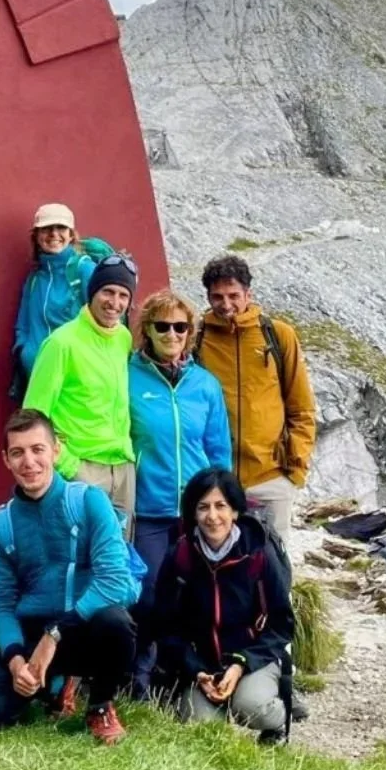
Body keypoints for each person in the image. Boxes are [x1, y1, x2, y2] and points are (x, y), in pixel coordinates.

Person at [0, 409, 136, 744]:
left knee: (117, 623)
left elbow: (113, 580)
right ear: (6, 460)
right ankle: (53, 685)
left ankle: (99, 704)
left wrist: (53, 636)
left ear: (55, 450)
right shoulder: (1, 523)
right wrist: (14, 660)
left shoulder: (89, 501)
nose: (29, 461)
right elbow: (0, 600)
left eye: (38, 449)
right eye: (17, 452)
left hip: (83, 627)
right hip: (31, 633)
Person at [126, 288, 230, 696]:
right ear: (146, 330)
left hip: (198, 513)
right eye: (162, 326)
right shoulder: (127, 376)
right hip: (150, 508)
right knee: (148, 593)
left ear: (190, 332)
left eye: (180, 327)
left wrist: (223, 505)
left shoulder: (205, 385)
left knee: (197, 594)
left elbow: (219, 449)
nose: (172, 334)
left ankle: (193, 675)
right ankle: (140, 677)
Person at [152, 468, 295, 743]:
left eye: (221, 506)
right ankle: (216, 701)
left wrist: (241, 664)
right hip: (202, 662)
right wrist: (196, 670)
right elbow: (166, 626)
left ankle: (277, 721)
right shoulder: (180, 555)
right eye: (203, 507)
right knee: (201, 730)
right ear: (193, 514)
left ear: (236, 511)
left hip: (254, 657)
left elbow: (281, 625)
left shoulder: (260, 553)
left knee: (251, 707)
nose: (212, 516)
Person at [194, 254, 317, 551]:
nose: (226, 304)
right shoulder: (197, 337)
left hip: (270, 475)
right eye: (217, 297)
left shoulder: (277, 335)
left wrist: (294, 468)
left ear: (248, 293)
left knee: (273, 561)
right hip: (216, 478)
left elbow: (301, 406)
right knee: (219, 563)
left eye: (234, 295)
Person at [22, 253, 138, 516]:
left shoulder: (123, 338)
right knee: (79, 554)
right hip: (82, 468)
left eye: (123, 295)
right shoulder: (61, 343)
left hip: (122, 469)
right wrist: (70, 467)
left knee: (118, 555)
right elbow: (33, 415)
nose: (115, 303)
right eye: (108, 292)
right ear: (92, 292)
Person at [11, 203, 101, 395]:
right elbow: (23, 325)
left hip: (75, 381)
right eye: (46, 228)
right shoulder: (35, 279)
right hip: (37, 378)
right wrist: (26, 352)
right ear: (36, 236)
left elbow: (105, 322)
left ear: (71, 234)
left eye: (61, 228)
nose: (54, 234)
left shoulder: (84, 270)